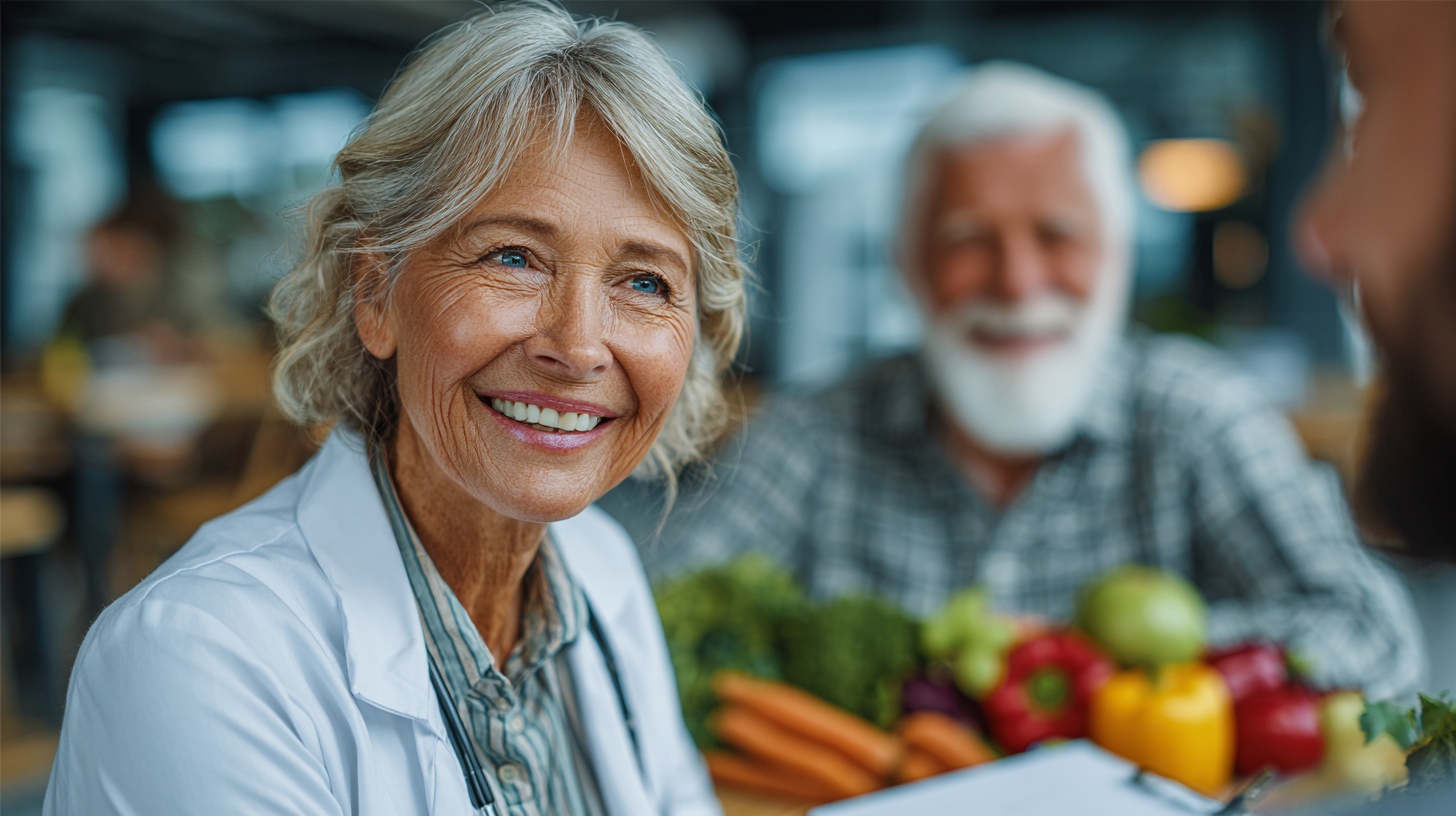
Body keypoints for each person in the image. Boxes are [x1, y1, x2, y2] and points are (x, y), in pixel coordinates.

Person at [43, 4, 744, 815]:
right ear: (373, 291)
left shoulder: (602, 572)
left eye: (645, 281)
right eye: (513, 257)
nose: (579, 347)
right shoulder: (198, 661)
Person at [624, 62, 1424, 700]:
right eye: (970, 239)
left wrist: (1080, 664)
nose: (1016, 281)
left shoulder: (1196, 416)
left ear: (1115, 257)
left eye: (1057, 235)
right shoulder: (819, 431)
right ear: (907, 267)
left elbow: (1371, 637)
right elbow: (643, 622)